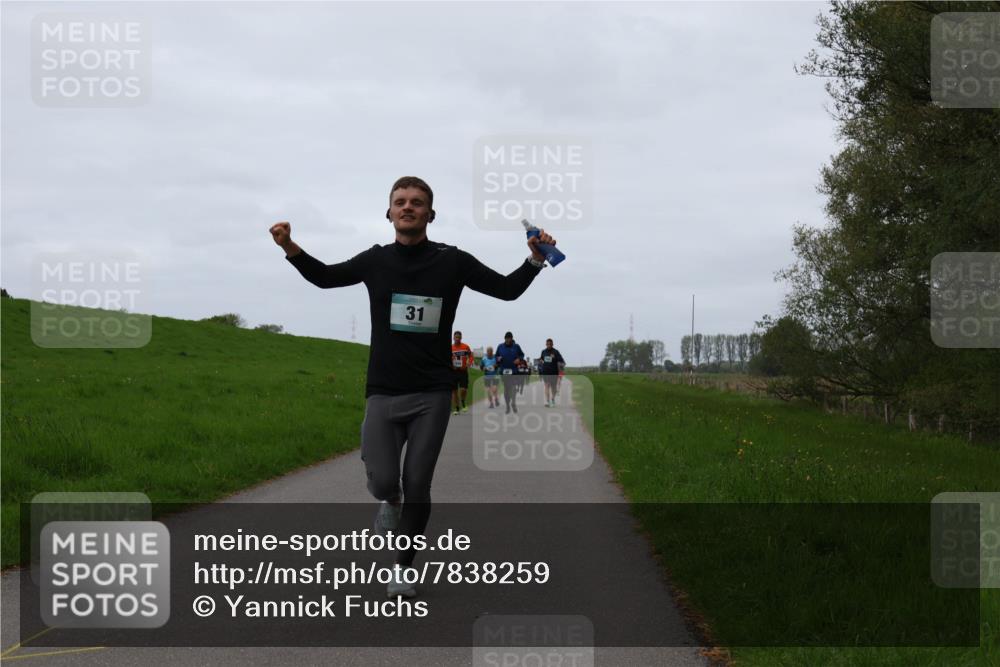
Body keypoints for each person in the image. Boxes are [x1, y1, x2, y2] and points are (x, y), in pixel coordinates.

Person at [270, 176, 556, 598]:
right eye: (400, 202)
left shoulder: (451, 261)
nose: (408, 207)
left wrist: (534, 260)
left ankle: (403, 566)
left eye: (417, 202)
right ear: (389, 212)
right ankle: (390, 500)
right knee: (386, 482)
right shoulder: (375, 261)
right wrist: (289, 248)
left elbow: (506, 290)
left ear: (430, 214)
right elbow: (326, 278)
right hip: (383, 390)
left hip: (432, 392)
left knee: (418, 480)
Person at [495, 331, 525, 414]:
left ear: (512, 339)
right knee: (506, 390)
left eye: (509, 338)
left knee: (513, 387)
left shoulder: (516, 346)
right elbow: (496, 356)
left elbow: (522, 355)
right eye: (506, 338)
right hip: (504, 371)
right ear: (504, 339)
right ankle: (508, 405)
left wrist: (519, 359)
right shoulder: (500, 346)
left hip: (514, 371)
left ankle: (513, 403)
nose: (508, 340)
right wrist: (498, 359)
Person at [450, 331, 473, 414]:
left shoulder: (465, 347)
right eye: (456, 337)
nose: (457, 339)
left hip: (463, 371)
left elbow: (471, 356)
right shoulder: (450, 348)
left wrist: (469, 363)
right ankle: (456, 408)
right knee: (454, 391)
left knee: (463, 389)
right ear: (453, 338)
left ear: (461, 338)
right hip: (454, 371)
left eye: (459, 337)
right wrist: (452, 366)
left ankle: (463, 401)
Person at [539, 338, 566, 407]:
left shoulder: (556, 352)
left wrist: (560, 366)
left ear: (552, 344)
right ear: (546, 344)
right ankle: (547, 401)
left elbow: (562, 361)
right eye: (547, 344)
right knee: (546, 385)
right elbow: (541, 359)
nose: (548, 345)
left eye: (550, 344)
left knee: (553, 388)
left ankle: (553, 399)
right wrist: (540, 361)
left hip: (554, 372)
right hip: (545, 371)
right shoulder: (543, 352)